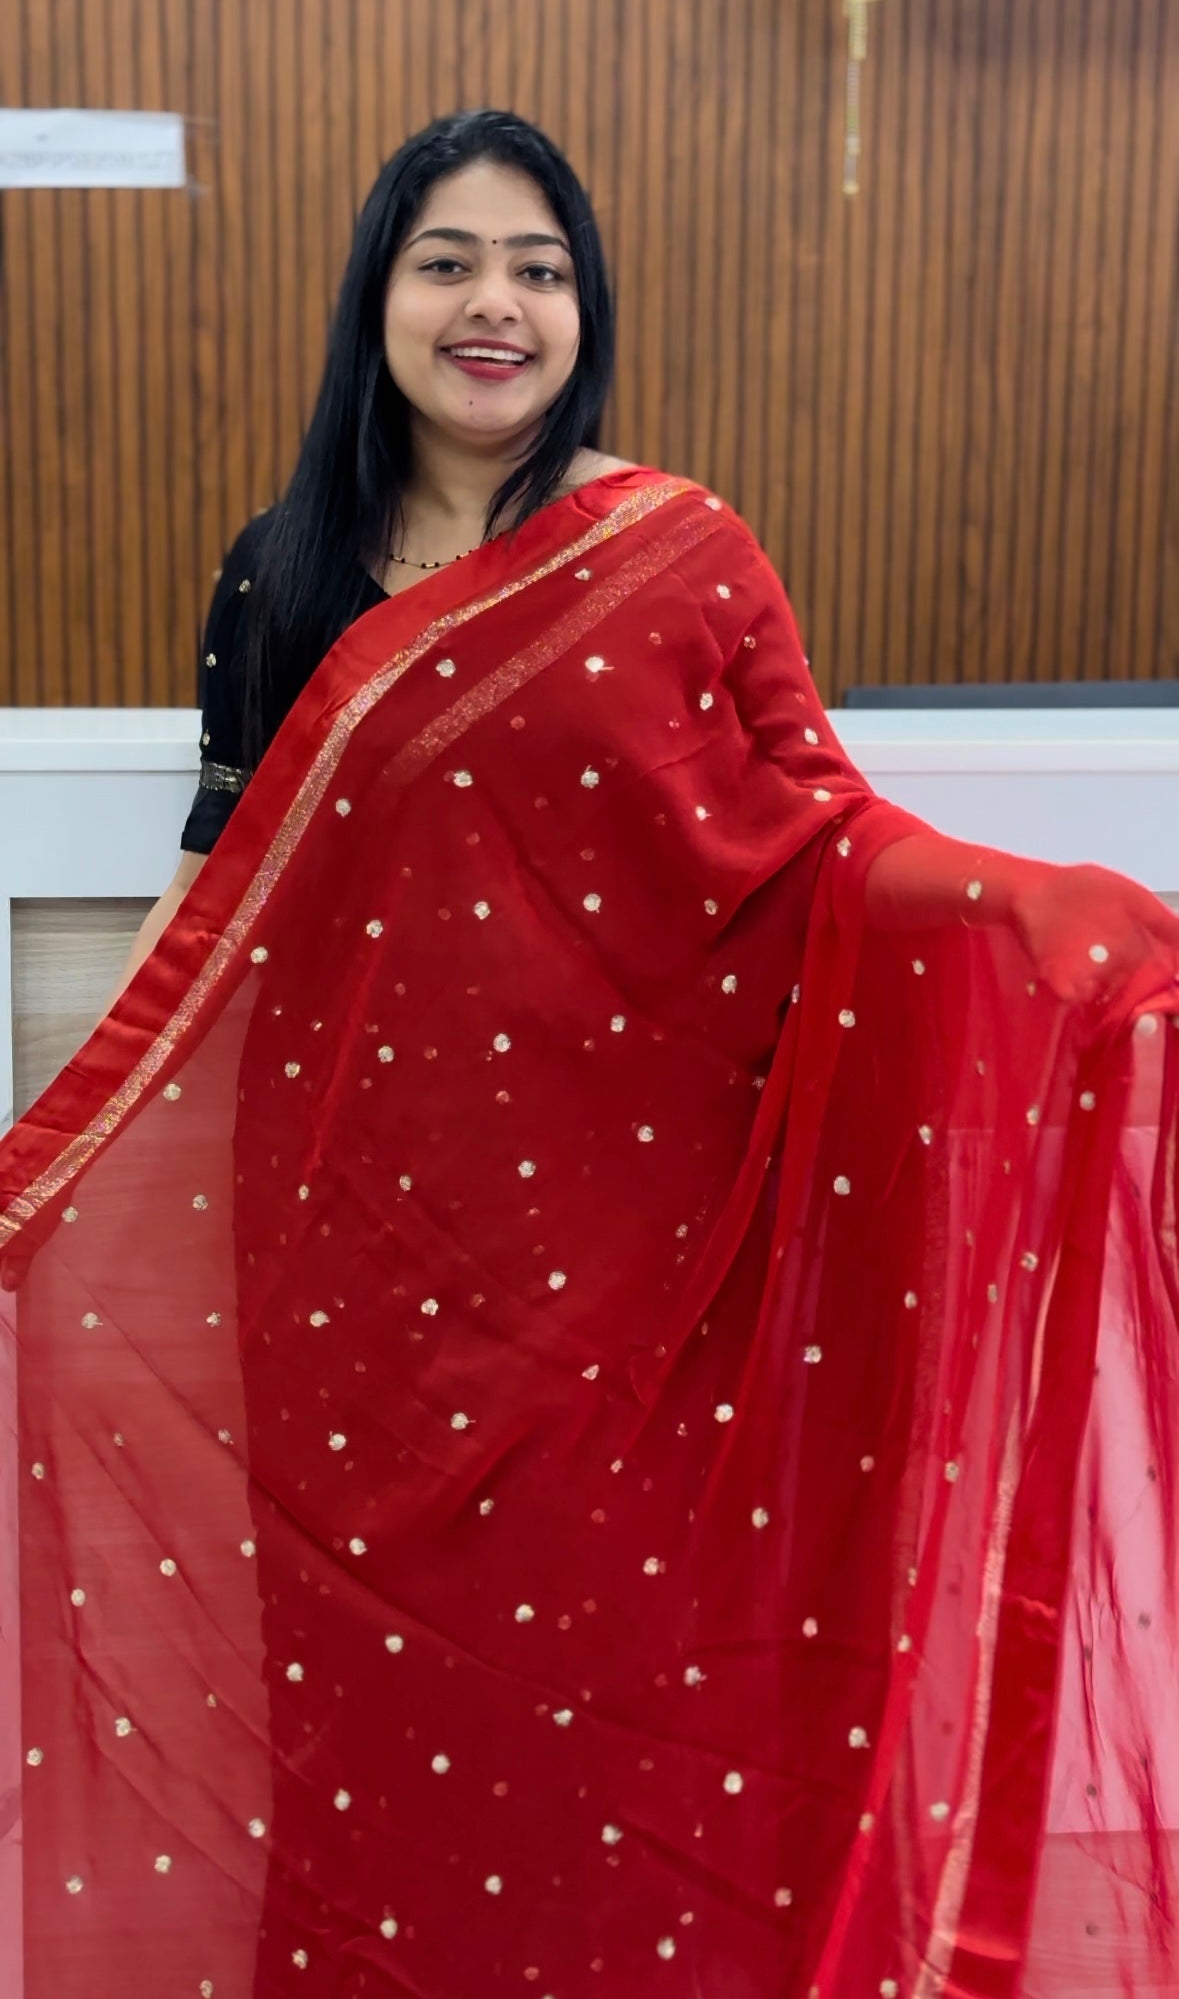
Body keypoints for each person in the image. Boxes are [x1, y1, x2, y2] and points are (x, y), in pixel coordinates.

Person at [2, 109, 1178, 1999]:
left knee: (603, 1684)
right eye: (448, 261)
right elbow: (210, 899)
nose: (496, 305)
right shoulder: (285, 571)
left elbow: (827, 831)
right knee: (369, 1715)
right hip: (343, 1253)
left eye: (538, 269)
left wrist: (1025, 913)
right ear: (377, 296)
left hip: (621, 1267)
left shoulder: (683, 552)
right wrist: (41, 1158)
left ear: (586, 307)